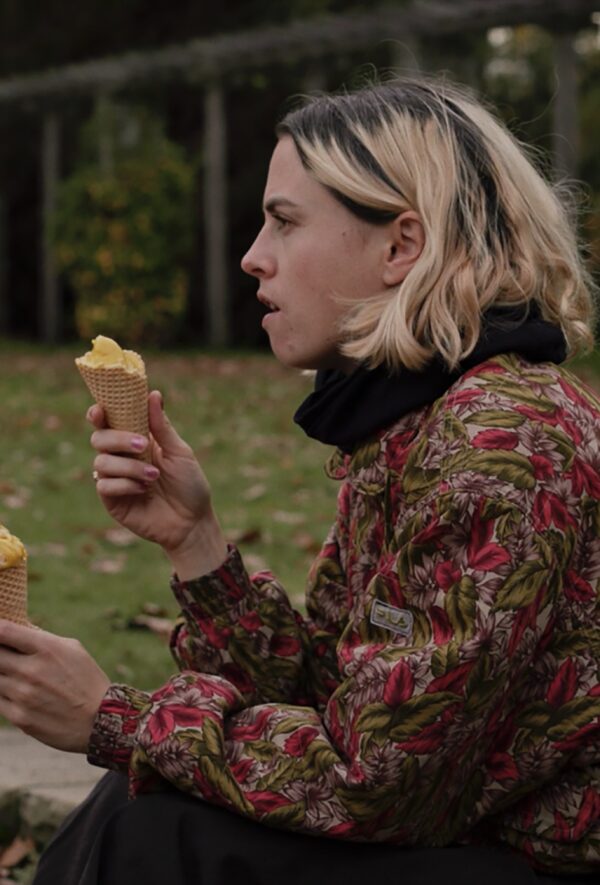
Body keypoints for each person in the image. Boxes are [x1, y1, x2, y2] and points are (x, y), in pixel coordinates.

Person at [0, 75, 598, 885]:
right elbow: (334, 697)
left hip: (537, 860)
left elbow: (381, 783)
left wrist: (118, 719)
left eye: (284, 221)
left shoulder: (500, 442)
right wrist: (197, 543)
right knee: (148, 798)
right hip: (463, 832)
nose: (254, 255)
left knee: (159, 831)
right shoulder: (408, 420)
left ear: (401, 246)